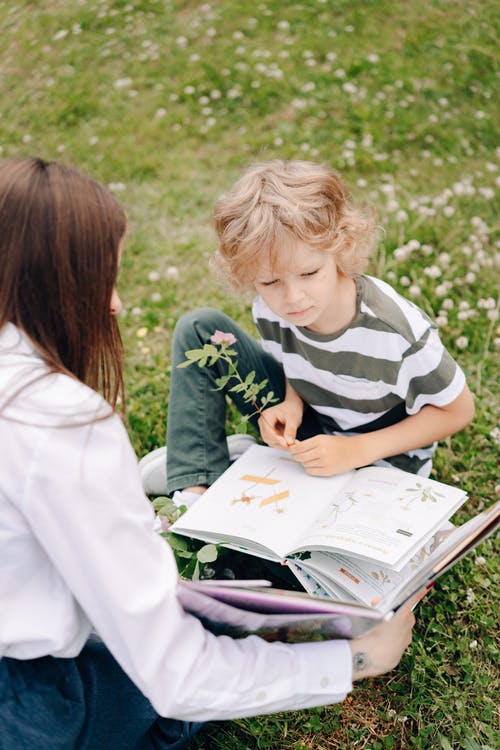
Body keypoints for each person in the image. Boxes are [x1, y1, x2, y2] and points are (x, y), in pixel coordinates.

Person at [0, 156, 422, 750]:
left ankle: (210, 475)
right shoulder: (60, 423)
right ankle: (202, 485)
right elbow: (178, 673)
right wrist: (353, 660)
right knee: (201, 632)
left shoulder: (389, 325)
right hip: (29, 704)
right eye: (104, 280)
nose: (116, 304)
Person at [139, 159, 474, 506]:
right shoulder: (270, 308)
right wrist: (291, 404)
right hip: (312, 437)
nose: (293, 298)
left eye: (309, 272)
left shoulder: (393, 331)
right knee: (199, 329)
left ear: (340, 246)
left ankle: (237, 464)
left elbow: (459, 410)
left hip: (379, 462)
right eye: (270, 281)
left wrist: (356, 451)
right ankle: (193, 493)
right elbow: (297, 363)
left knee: (284, 559)